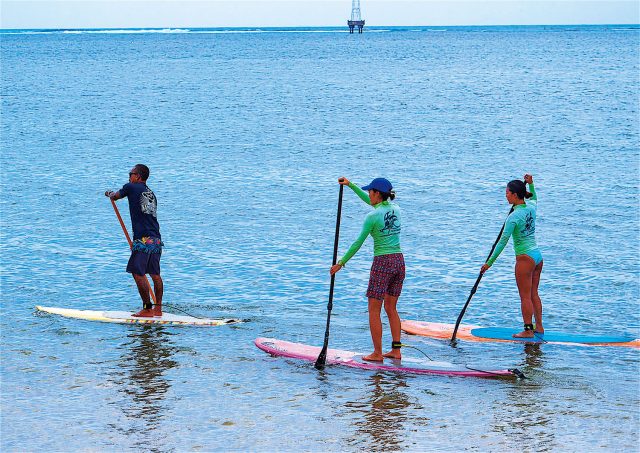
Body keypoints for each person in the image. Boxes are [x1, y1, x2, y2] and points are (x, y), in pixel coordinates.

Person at [330, 177, 405, 361]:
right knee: (391, 308)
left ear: (377, 194)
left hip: (382, 263)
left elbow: (358, 242)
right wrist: (351, 185)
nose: (369, 195)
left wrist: (341, 262)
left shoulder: (372, 217)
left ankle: (377, 353)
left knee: (374, 309)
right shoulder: (396, 209)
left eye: (370, 192)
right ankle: (396, 350)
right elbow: (371, 202)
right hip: (399, 261)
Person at [481, 174, 543, 338]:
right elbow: (535, 198)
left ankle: (528, 330)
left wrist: (489, 263)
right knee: (533, 294)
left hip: (525, 258)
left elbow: (502, 243)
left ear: (515, 195)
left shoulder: (513, 217)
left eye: (508, 193)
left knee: (525, 297)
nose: (506, 195)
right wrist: (532, 185)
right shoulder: (531, 207)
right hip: (537, 256)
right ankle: (540, 327)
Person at [105, 164, 163, 318]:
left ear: (138, 176)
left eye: (130, 173)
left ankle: (147, 308)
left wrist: (110, 193)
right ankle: (158, 309)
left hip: (143, 239)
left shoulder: (131, 187)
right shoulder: (151, 193)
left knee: (137, 273)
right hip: (156, 239)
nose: (129, 177)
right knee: (155, 274)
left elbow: (116, 196)